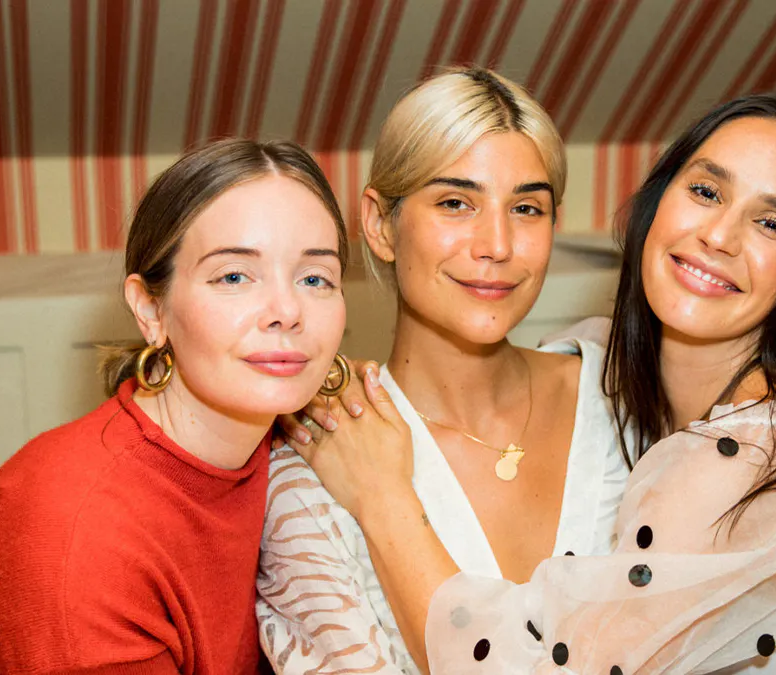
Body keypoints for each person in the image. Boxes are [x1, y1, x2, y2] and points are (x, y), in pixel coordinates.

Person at [293, 95, 776, 673]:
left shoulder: (741, 453)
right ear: (654, 202)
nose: (718, 235)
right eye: (706, 190)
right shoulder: (616, 368)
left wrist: (384, 498)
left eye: (772, 223)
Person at [0, 139, 350, 674]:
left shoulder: (289, 443)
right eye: (234, 276)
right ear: (150, 309)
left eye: (315, 278)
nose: (288, 310)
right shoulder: (84, 538)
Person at [255, 67, 629, 673]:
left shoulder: (624, 403)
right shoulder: (315, 464)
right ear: (380, 225)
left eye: (526, 208)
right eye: (456, 203)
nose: (497, 244)